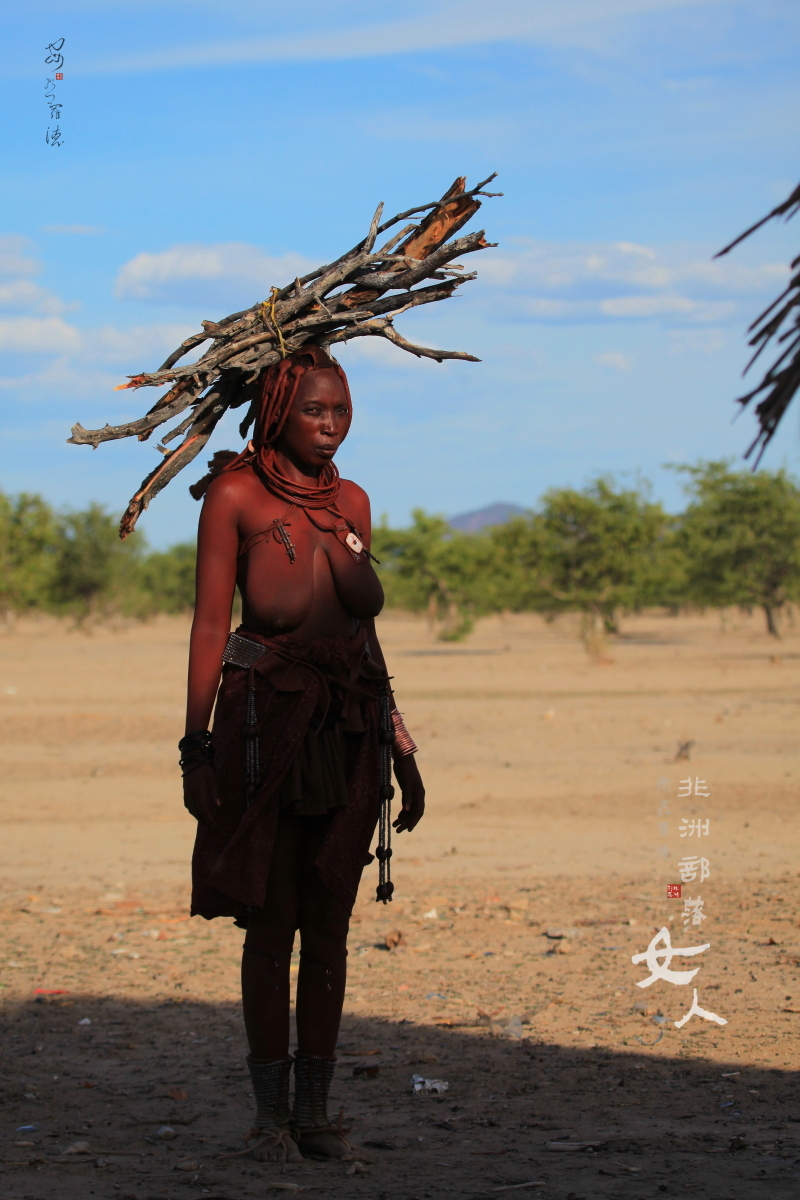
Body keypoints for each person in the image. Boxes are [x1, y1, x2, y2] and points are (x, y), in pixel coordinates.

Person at [179, 345, 425, 1163]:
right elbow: (211, 626)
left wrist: (395, 734)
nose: (329, 425)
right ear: (279, 409)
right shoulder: (235, 496)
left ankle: (316, 1114)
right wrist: (195, 744)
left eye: (341, 411)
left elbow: (364, 627)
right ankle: (269, 1120)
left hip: (347, 726)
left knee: (329, 921)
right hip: (263, 727)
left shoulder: (352, 499)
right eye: (315, 410)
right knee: (271, 922)